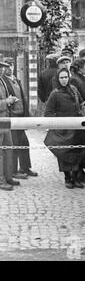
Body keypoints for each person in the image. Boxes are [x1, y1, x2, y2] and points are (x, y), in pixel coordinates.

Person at [44, 68, 85, 189]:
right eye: (61, 78)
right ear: (58, 79)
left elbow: (81, 104)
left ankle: (76, 178)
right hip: (63, 130)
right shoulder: (55, 93)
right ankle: (67, 178)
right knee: (65, 154)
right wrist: (58, 122)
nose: (64, 80)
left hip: (76, 128)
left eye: (66, 77)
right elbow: (48, 112)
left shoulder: (74, 89)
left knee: (77, 153)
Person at [1, 58, 38, 179]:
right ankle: (13, 170)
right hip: (11, 116)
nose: (9, 68)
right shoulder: (3, 81)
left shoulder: (17, 79)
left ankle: (25, 167)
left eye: (11, 65)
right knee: (14, 143)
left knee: (24, 142)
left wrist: (26, 114)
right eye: (6, 66)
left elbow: (23, 97)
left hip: (21, 115)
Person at [0, 62, 18, 190]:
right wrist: (7, 101)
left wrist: (9, 100)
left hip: (4, 118)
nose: (1, 69)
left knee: (8, 147)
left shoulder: (1, 80)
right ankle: (1, 181)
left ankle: (8, 176)